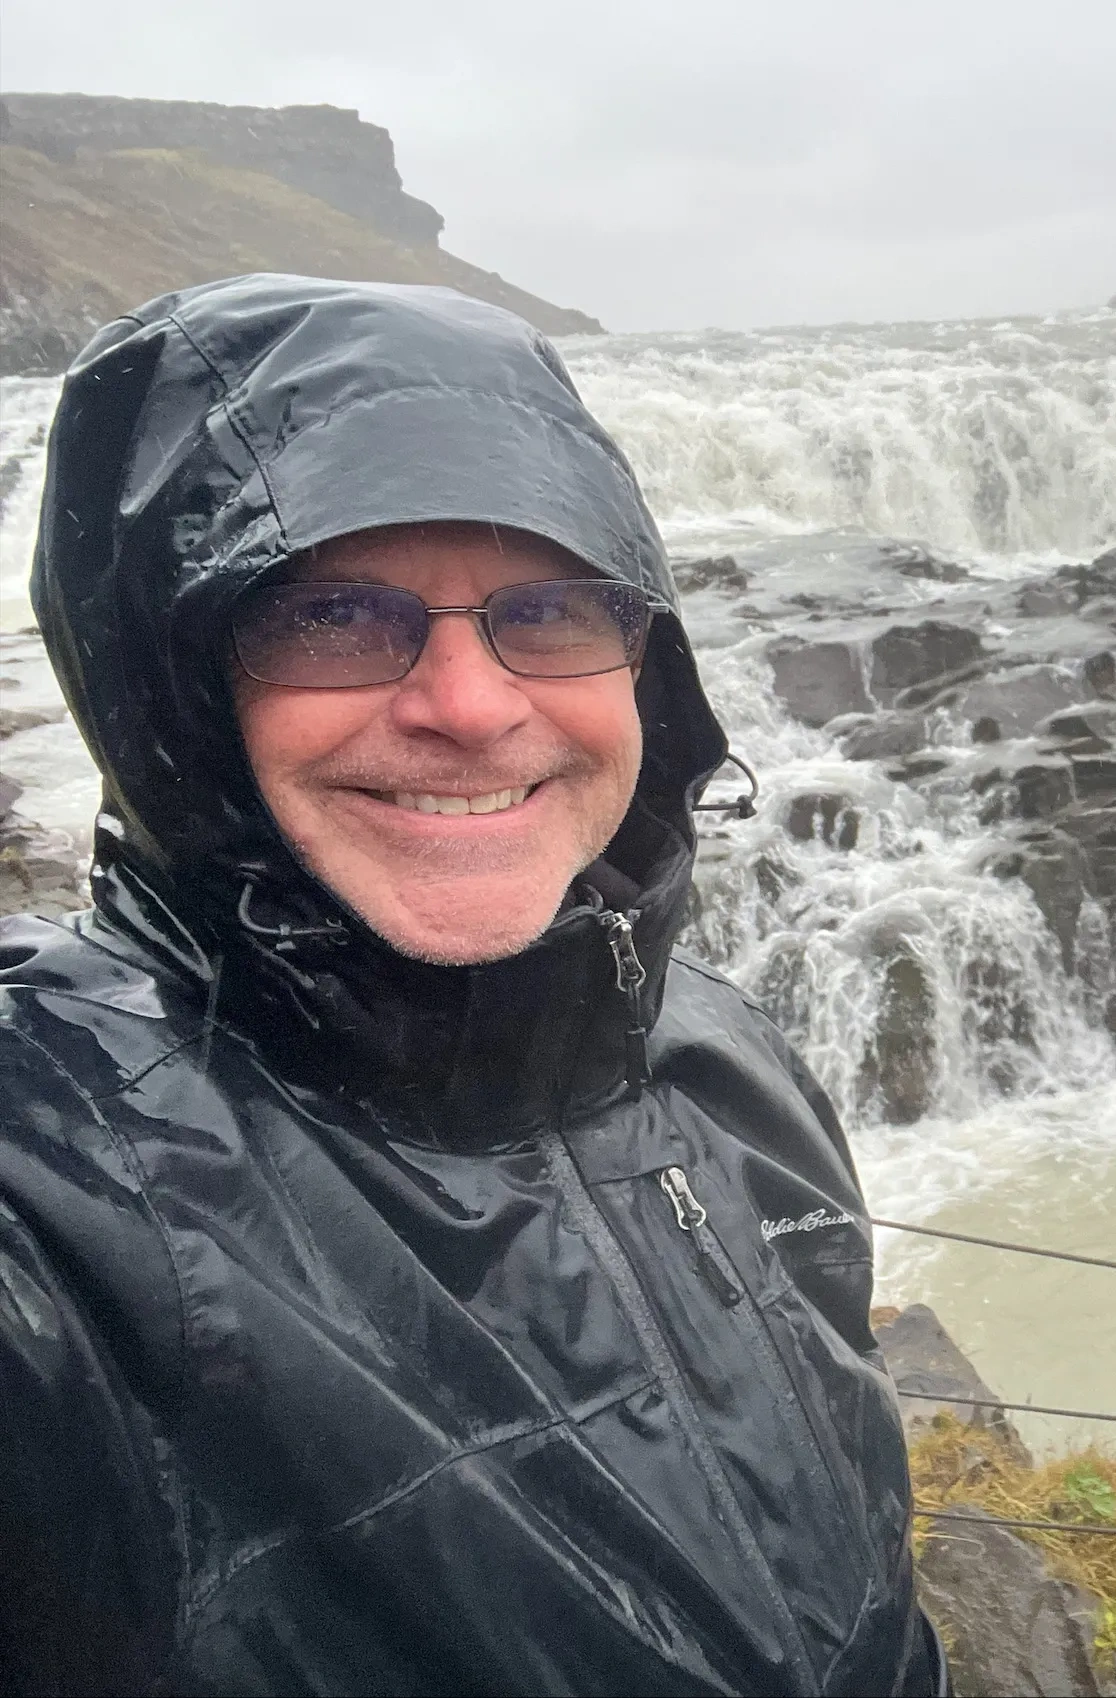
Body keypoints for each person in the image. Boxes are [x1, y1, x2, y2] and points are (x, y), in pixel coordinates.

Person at [0, 275, 940, 1694]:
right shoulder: (53, 1190)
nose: (471, 705)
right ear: (170, 676)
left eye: (552, 606)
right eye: (332, 615)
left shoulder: (722, 1056)